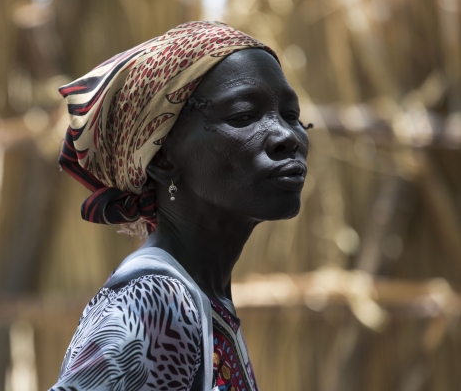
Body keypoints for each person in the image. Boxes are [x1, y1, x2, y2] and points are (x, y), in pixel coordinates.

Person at [51, 21, 310, 391]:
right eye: (242, 116)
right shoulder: (155, 301)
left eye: (292, 116)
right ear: (163, 158)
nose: (287, 137)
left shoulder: (202, 297)